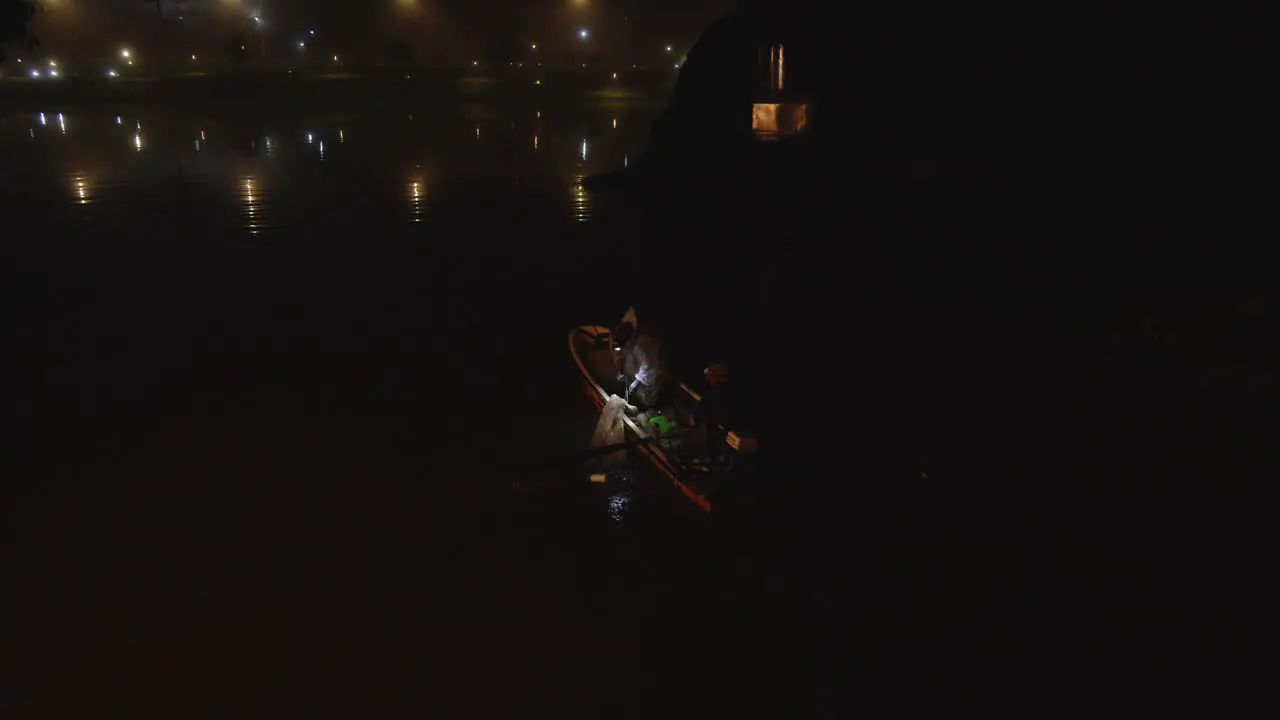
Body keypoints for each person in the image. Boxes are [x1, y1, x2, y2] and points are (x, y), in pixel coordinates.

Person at [612, 307, 663, 410]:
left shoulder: (644, 346)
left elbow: (650, 368)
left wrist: (638, 381)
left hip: (654, 366)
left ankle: (648, 404)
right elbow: (619, 348)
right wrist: (619, 364)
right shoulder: (625, 323)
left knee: (648, 396)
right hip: (636, 356)